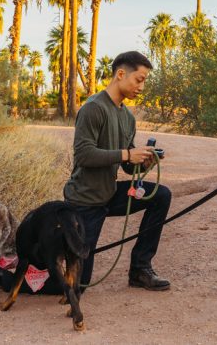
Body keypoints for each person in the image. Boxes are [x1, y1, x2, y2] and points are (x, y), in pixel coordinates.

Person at [63, 50, 172, 291]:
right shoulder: (93, 108)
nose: (141, 87)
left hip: (109, 194)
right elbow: (83, 154)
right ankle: (11, 279)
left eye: (144, 81)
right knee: (79, 282)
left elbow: (125, 165)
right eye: (139, 79)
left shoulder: (127, 118)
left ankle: (140, 270)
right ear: (121, 74)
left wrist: (142, 162)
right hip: (84, 202)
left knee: (161, 196)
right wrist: (127, 154)